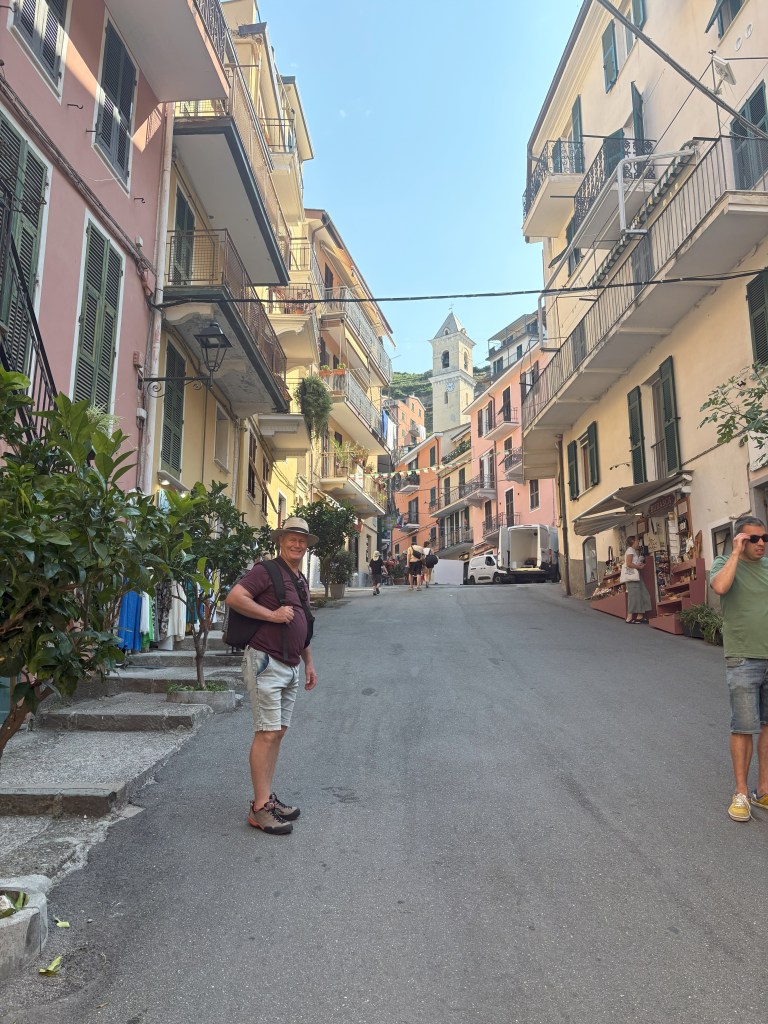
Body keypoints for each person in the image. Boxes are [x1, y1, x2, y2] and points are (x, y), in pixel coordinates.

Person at [225, 517, 319, 836]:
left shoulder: (300, 578)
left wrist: (308, 662)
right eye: (292, 538)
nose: (297, 544)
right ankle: (259, 808)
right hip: (267, 661)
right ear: (281, 540)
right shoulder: (265, 570)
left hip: (291, 664)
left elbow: (303, 621)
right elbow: (235, 597)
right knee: (266, 733)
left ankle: (266, 798)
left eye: (302, 540)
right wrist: (272, 615)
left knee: (277, 732)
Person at [710, 515, 768, 823]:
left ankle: (764, 789)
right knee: (744, 726)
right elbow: (720, 587)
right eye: (753, 539)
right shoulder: (724, 563)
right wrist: (734, 554)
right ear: (740, 540)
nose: (761, 544)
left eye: (765, 538)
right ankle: (742, 793)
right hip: (744, 657)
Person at [622, 535, 651, 624]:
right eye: (637, 540)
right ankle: (629, 617)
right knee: (634, 596)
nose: (638, 541)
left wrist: (639, 565)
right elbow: (629, 564)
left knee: (643, 594)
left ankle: (640, 616)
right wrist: (638, 566)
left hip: (636, 576)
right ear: (633, 541)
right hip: (632, 577)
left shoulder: (633, 551)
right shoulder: (630, 550)